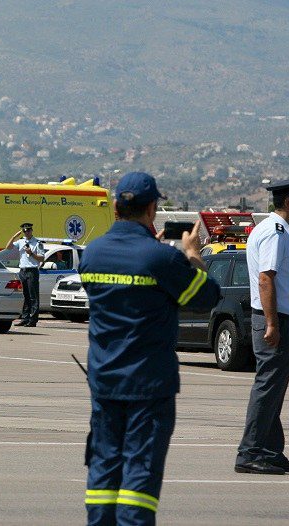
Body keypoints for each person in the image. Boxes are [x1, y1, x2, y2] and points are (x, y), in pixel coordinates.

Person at [79, 172, 221, 525]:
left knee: (104, 470)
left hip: (105, 381)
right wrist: (191, 256)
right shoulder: (161, 259)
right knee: (138, 477)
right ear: (153, 209)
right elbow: (206, 297)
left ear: (115, 208)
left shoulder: (92, 254)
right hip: (147, 385)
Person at [235, 176, 289, 476]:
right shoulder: (273, 232)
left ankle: (269, 450)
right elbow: (266, 278)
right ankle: (250, 452)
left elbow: (282, 271)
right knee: (267, 389)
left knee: (274, 389)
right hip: (274, 320)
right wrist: (271, 324)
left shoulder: (282, 233)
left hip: (281, 319)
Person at [6, 222, 45, 327]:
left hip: (32, 271)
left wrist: (31, 253)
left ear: (31, 230)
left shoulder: (37, 243)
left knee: (33, 296)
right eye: (24, 231)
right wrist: (15, 236)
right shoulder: (21, 241)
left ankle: (33, 320)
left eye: (28, 230)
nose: (26, 232)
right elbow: (8, 247)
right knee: (25, 295)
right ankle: (25, 317)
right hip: (22, 271)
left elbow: (42, 258)